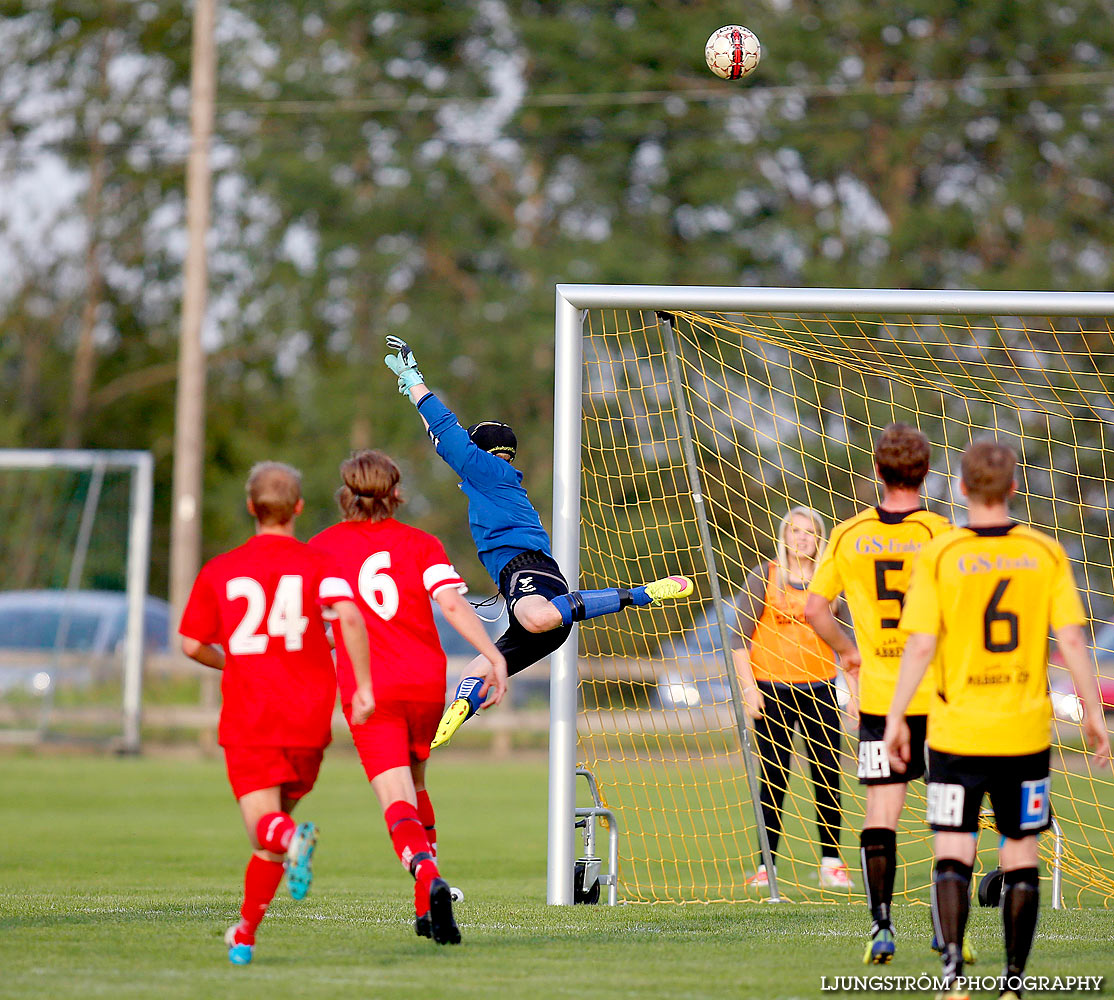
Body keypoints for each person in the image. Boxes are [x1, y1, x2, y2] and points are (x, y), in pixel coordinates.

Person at [383, 335, 694, 748]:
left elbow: (444, 430)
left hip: (527, 569)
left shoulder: (487, 471)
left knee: (538, 617)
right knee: (485, 663)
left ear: (480, 450)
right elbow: (441, 441)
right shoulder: (495, 478)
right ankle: (457, 712)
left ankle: (640, 595)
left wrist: (416, 381)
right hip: (524, 586)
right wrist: (409, 389)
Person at [883, 439, 1110, 1000]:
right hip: (1023, 731)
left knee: (953, 848)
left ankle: (954, 976)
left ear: (961, 488)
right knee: (1020, 851)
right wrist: (1092, 712)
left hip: (956, 731)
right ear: (1012, 487)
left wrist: (893, 718)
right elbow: (1075, 639)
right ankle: (1012, 984)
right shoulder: (1044, 552)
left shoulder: (942, 554)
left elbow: (918, 647)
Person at [179, 462, 374, 966]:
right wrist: (365, 687)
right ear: (299, 508)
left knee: (267, 829)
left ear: (251, 507)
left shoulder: (221, 569)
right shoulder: (319, 565)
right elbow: (349, 616)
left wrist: (227, 660)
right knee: (270, 839)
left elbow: (189, 643)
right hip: (309, 715)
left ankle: (294, 840)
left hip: (252, 712)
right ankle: (244, 935)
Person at [309, 449, 506, 945]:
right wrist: (494, 657)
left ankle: (426, 876)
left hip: (370, 687)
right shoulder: (420, 543)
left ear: (346, 494)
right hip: (423, 683)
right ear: (395, 493)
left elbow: (316, 626)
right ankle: (426, 911)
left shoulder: (323, 548)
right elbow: (453, 604)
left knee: (394, 798)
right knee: (417, 786)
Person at [804, 423, 953, 964]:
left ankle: (882, 926)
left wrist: (848, 651)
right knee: (948, 813)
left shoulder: (847, 534)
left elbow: (814, 609)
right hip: (938, 697)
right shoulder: (940, 534)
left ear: (876, 471)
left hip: (879, 697)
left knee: (880, 812)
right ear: (927, 472)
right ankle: (945, 924)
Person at [731, 505, 855, 890]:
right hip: (771, 690)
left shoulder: (830, 583)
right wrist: (749, 690)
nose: (802, 538)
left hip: (821, 689)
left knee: (827, 775)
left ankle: (831, 863)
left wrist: (855, 695)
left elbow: (850, 644)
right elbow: (738, 639)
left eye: (810, 532)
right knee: (773, 778)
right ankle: (766, 865)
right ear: (785, 535)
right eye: (795, 531)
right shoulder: (764, 575)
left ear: (820, 540)